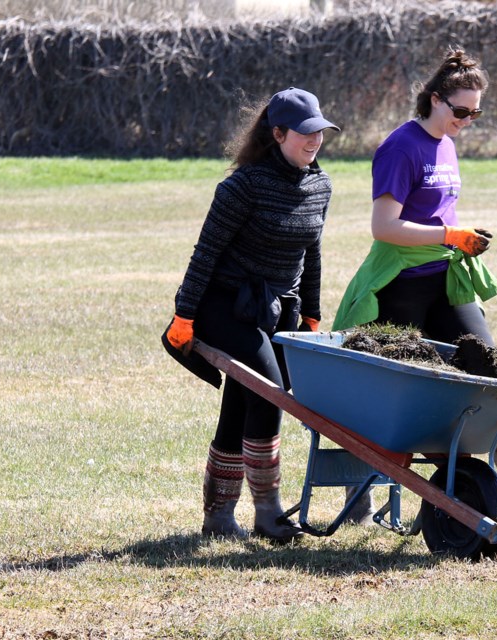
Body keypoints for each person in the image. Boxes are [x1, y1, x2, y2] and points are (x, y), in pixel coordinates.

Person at [333, 49, 497, 523]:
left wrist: (459, 241)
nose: (468, 120)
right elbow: (384, 227)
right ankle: (359, 504)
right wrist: (449, 234)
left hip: (445, 278)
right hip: (399, 283)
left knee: (488, 371)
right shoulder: (400, 147)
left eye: (476, 112)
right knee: (398, 394)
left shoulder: (446, 142)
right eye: (461, 110)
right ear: (434, 100)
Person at [162, 87, 339, 543]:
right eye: (304, 133)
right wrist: (184, 317)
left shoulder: (320, 185)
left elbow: (312, 256)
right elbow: (206, 254)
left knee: (242, 399)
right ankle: (268, 512)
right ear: (277, 134)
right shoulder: (242, 187)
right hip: (224, 305)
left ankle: (218, 516)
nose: (315, 140)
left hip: (281, 308)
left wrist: (313, 319)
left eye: (320, 132)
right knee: (269, 390)